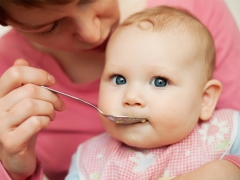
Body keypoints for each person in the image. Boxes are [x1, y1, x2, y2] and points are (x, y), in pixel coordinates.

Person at [0, 0, 239, 180]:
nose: (131, 98)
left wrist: (230, 169)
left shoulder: (228, 131)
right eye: (119, 79)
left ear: (205, 99)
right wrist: (13, 168)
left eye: (159, 82)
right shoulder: (89, 162)